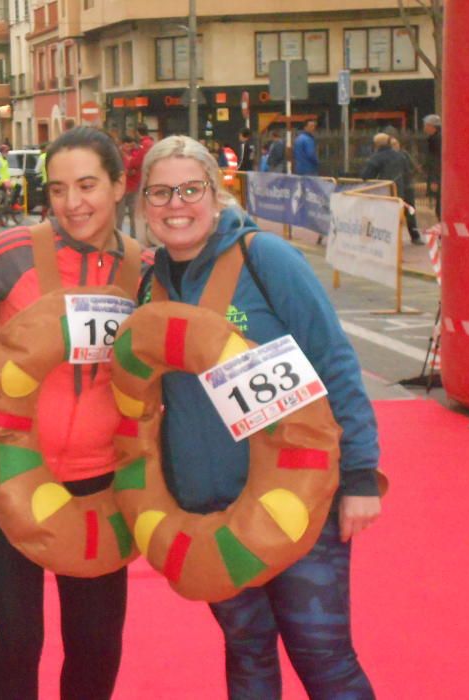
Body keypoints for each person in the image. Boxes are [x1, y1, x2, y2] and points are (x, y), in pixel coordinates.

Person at [136, 135, 380, 699]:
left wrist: (362, 475)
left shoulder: (263, 258)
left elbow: (334, 359)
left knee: (323, 658)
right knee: (246, 651)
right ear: (145, 205)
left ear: (216, 194)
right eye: (161, 193)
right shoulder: (151, 284)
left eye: (191, 189)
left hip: (298, 499)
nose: (177, 205)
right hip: (209, 505)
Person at [0, 127, 141, 700]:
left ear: (120, 186)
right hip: (8, 477)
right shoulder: (16, 251)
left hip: (102, 483)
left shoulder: (145, 270)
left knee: (97, 645)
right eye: (57, 189)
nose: (72, 203)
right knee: (13, 646)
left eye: (87, 185)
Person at [361, 133, 422, 244]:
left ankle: (387, 239)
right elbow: (408, 171)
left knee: (385, 215)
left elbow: (366, 175)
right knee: (408, 213)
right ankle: (415, 237)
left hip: (385, 190)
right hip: (404, 188)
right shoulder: (400, 155)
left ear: (376, 145)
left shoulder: (376, 157)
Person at [116, 134, 140, 237]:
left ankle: (133, 236)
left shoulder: (135, 154)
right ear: (123, 145)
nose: (129, 148)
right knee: (119, 216)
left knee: (133, 215)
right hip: (122, 189)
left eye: (131, 146)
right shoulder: (118, 155)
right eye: (128, 146)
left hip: (133, 188)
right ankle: (119, 237)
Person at [423, 114, 442, 218]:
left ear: (432, 126)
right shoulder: (435, 138)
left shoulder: (436, 140)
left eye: (426, 125)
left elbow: (436, 160)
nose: (424, 128)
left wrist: (435, 179)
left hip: (438, 177)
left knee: (440, 207)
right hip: (438, 175)